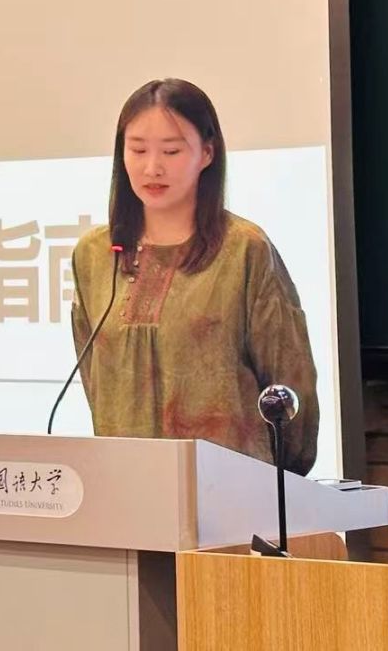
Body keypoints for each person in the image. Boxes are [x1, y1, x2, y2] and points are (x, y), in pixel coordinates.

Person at [69, 78, 320, 474]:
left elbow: (289, 388)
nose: (152, 167)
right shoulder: (93, 255)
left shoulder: (244, 249)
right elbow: (95, 382)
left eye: (171, 150)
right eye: (137, 150)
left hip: (232, 489)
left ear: (206, 153)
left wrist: (279, 484)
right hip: (129, 485)